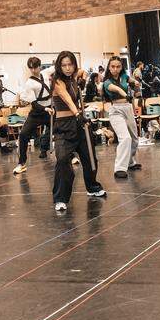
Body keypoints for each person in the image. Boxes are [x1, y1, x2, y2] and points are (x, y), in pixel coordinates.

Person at [50, 51, 106, 211]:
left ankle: (92, 187)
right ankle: (60, 198)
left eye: (70, 64)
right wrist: (77, 113)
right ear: (59, 66)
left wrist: (81, 77)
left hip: (78, 123)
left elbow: (83, 72)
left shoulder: (73, 78)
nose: (67, 68)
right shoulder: (56, 81)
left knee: (90, 157)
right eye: (64, 65)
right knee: (62, 161)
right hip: (64, 125)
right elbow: (66, 97)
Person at [102, 57, 142, 178]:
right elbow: (117, 89)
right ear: (109, 67)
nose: (115, 69)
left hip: (128, 108)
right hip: (116, 111)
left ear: (121, 67)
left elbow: (132, 82)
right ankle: (119, 168)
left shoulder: (124, 77)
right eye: (113, 66)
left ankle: (130, 162)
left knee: (134, 139)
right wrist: (127, 95)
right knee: (125, 138)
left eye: (118, 66)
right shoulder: (106, 82)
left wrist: (135, 83)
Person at [14, 57, 52, 175]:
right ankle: (22, 163)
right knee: (23, 134)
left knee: (61, 130)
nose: (33, 70)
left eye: (35, 67)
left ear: (39, 66)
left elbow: (56, 67)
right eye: (31, 68)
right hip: (37, 112)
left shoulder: (46, 73)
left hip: (50, 109)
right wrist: (45, 108)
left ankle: (70, 156)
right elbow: (34, 104)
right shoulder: (29, 83)